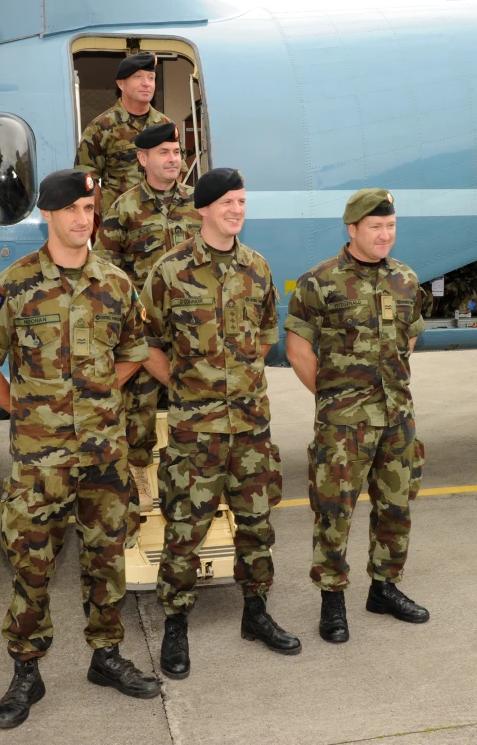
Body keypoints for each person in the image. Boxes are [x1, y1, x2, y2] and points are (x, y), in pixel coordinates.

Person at [0, 169, 161, 730]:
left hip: (103, 454)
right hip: (39, 462)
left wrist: (99, 396)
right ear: (47, 215)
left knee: (106, 559)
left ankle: (107, 655)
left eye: (89, 208)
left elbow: (134, 351)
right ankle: (27, 669)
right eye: (71, 209)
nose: (83, 218)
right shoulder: (15, 285)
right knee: (31, 565)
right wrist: (25, 411)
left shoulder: (117, 284)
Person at [140, 167, 302, 680]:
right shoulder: (170, 272)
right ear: (203, 209)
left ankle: (256, 614)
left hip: (252, 427)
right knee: (185, 528)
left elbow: (265, 335)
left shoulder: (257, 267)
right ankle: (175, 624)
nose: (236, 210)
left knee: (256, 526)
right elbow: (145, 344)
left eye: (242, 201)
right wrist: (186, 387)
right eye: (227, 202)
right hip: (196, 431)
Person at [284, 188, 429, 645]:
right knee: (334, 512)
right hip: (344, 423)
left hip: (397, 418)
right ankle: (332, 601)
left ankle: (384, 588)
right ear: (352, 230)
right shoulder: (319, 281)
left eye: (390, 226)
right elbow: (298, 349)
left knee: (396, 508)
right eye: (375, 227)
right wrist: (333, 398)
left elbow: (410, 339)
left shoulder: (406, 278)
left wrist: (389, 390)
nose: (385, 235)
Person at [94, 122, 202, 512]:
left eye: (176, 152)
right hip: (143, 329)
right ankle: (138, 482)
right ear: (143, 158)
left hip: (192, 328)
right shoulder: (123, 208)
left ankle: (193, 486)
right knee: (137, 415)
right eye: (164, 153)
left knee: (195, 408)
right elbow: (106, 271)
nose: (173, 159)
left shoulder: (198, 202)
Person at [74, 52, 174, 220]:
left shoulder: (166, 126)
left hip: (159, 223)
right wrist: (99, 221)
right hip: (119, 225)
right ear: (121, 83)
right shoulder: (100, 128)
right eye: (138, 77)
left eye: (151, 78)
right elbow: (87, 180)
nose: (146, 84)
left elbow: (177, 172)